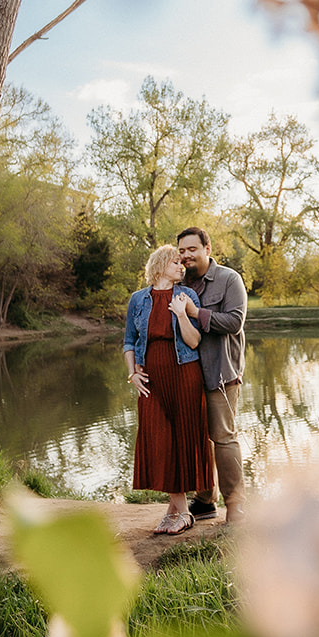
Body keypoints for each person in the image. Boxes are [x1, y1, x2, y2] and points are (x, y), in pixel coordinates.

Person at [123, 243, 213, 535]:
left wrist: (182, 314)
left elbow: (194, 342)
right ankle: (180, 511)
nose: (182, 266)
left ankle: (179, 512)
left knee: (182, 438)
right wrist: (132, 373)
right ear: (160, 266)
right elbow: (128, 341)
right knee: (159, 439)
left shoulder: (186, 295)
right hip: (151, 378)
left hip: (184, 374)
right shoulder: (138, 300)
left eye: (182, 263)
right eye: (176, 262)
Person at [176, 226, 247, 524]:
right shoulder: (178, 282)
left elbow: (234, 322)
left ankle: (236, 506)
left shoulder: (230, 279)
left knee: (223, 438)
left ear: (207, 248)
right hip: (187, 375)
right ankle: (205, 501)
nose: (186, 256)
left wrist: (196, 313)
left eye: (191, 249)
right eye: (181, 251)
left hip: (220, 373)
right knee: (196, 440)